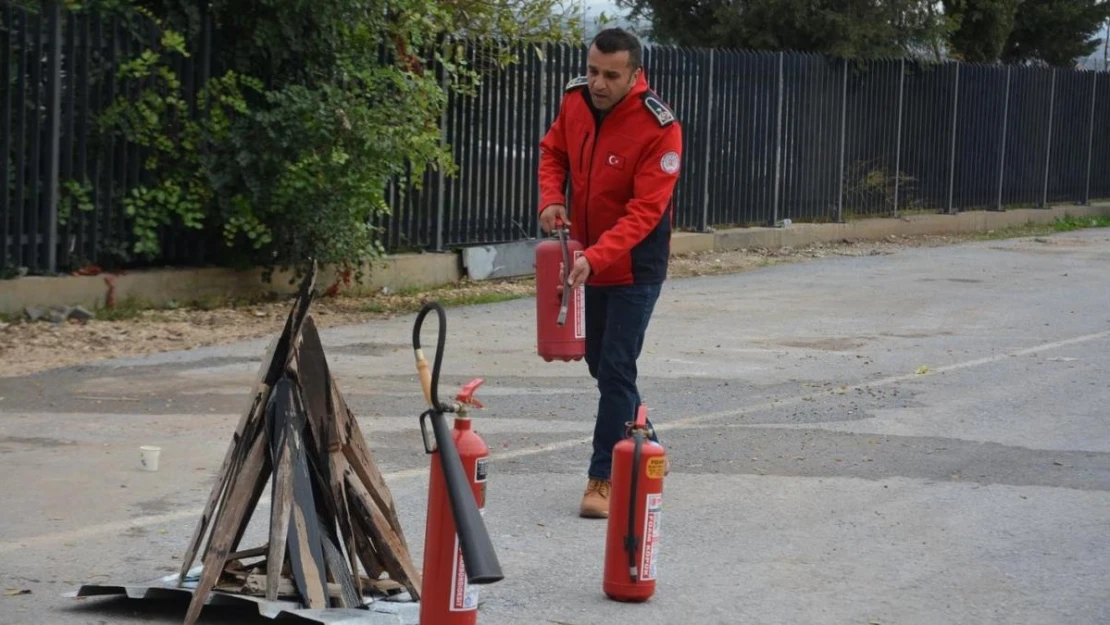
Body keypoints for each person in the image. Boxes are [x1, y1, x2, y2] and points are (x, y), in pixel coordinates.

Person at [536, 27, 683, 519]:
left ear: (635, 75)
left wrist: (597, 257)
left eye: (610, 75)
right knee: (600, 364)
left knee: (617, 367)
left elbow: (645, 213)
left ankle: (603, 478)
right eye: (594, 70)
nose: (598, 82)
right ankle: (648, 446)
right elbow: (553, 151)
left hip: (634, 267)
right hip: (586, 258)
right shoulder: (575, 101)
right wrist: (552, 198)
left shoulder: (659, 128)